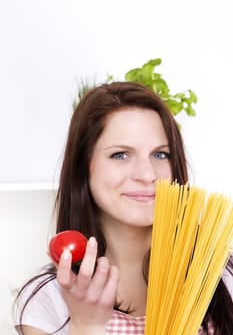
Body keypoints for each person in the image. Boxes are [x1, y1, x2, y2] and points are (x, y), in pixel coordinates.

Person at [14, 81, 233, 335]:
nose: (147, 174)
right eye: (120, 155)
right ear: (83, 168)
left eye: (160, 154)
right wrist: (87, 325)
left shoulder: (222, 277)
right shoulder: (47, 300)